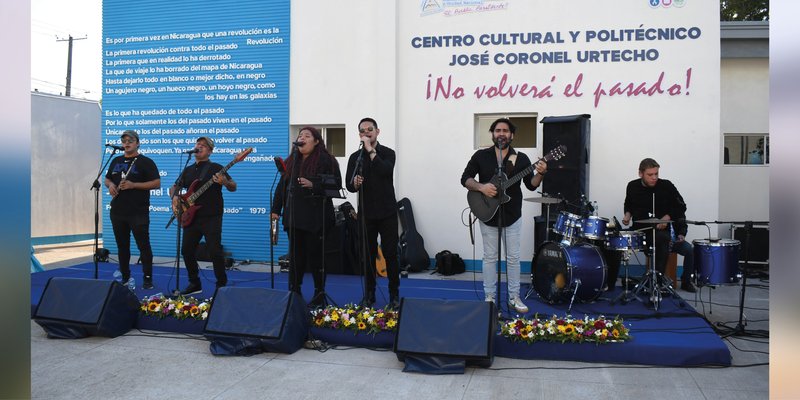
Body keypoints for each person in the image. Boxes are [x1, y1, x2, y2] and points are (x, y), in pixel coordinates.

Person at [461, 118, 547, 313]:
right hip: (488, 214)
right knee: (490, 257)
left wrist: (541, 173)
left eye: (505, 131)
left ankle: (514, 297)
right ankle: (489, 296)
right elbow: (465, 179)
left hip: (512, 215)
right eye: (498, 130)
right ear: (492, 134)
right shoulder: (481, 156)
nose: (501, 133)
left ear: (512, 135)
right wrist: (482, 187)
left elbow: (531, 185)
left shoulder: (522, 159)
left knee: (513, 258)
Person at [271, 127, 342, 307]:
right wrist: (275, 210)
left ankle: (319, 293)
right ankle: (294, 291)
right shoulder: (292, 160)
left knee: (317, 258)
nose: (301, 138)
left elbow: (336, 184)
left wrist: (314, 184)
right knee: (296, 258)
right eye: (300, 135)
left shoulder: (327, 160)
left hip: (316, 218)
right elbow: (282, 187)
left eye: (307, 136)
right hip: (294, 218)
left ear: (317, 141)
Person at [345, 117, 400, 310]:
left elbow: (385, 171)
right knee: (367, 255)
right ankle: (369, 295)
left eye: (370, 129)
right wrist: (355, 184)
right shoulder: (355, 158)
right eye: (362, 130)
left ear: (377, 132)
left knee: (390, 254)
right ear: (359, 134)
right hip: (366, 214)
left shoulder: (388, 153)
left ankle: (394, 294)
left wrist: (370, 150)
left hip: (387, 212)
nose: (366, 132)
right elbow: (349, 185)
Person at [171, 137, 237, 295]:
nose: (199, 147)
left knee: (215, 251)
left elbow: (233, 186)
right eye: (197, 144)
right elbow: (175, 186)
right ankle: (194, 283)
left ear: (210, 151)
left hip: (211, 216)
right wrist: (174, 198)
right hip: (191, 216)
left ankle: (221, 284)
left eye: (203, 145)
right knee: (186, 250)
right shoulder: (188, 169)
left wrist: (224, 182)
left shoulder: (217, 168)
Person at [622, 158, 696, 292]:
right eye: (650, 175)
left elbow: (681, 206)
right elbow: (629, 204)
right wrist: (627, 214)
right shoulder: (632, 186)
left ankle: (685, 281)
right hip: (643, 233)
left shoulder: (666, 186)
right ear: (640, 174)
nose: (654, 177)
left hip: (666, 234)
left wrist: (668, 217)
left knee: (689, 250)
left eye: (656, 174)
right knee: (614, 238)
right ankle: (608, 284)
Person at [104, 130, 160, 290]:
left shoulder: (145, 162)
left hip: (138, 212)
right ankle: (125, 276)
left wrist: (133, 185)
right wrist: (111, 185)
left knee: (143, 245)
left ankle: (147, 278)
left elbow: (157, 183)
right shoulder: (116, 160)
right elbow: (107, 178)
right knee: (122, 246)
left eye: (130, 140)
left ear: (137, 143)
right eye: (124, 140)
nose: (126, 143)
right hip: (117, 211)